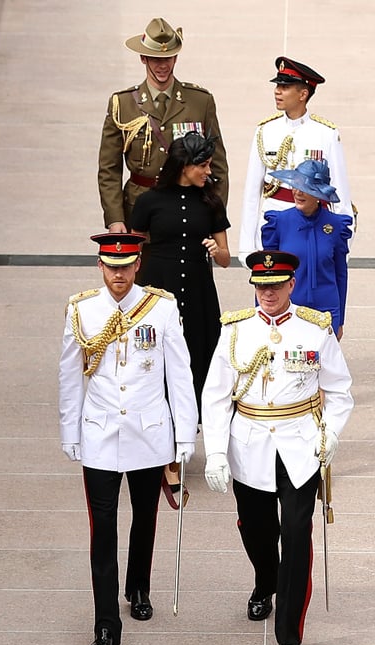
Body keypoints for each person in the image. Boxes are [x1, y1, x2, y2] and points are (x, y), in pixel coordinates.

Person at [200, 250, 354, 645]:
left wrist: (331, 434)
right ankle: (265, 579)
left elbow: (340, 391)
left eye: (275, 285)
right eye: (261, 286)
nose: (268, 293)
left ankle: (289, 632)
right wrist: (215, 452)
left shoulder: (315, 330)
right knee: (256, 529)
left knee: (297, 536)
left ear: (291, 285)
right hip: (249, 443)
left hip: (300, 446)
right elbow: (215, 396)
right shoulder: (235, 331)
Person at [58, 233, 198, 645]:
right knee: (102, 530)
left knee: (144, 516)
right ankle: (105, 624)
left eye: (125, 266)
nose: (118, 274)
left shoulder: (161, 307)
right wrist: (70, 430)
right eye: (110, 266)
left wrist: (184, 433)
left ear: (138, 265)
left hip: (149, 431)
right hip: (100, 432)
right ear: (100, 267)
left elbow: (180, 374)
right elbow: (69, 375)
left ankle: (138, 585)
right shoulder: (82, 309)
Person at [129, 131, 231, 506]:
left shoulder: (210, 201)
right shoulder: (149, 201)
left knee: (196, 366)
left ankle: (179, 443)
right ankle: (165, 453)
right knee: (159, 367)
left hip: (200, 296)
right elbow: (133, 255)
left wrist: (214, 248)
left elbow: (225, 257)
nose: (208, 171)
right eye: (202, 165)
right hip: (160, 294)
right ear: (184, 167)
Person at [98, 17, 228, 236]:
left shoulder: (200, 101)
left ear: (176, 57)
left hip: (189, 210)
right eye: (155, 58)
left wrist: (214, 216)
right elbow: (109, 169)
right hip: (140, 214)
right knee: (141, 270)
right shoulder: (123, 104)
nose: (162, 65)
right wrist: (115, 217)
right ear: (143, 58)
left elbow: (218, 166)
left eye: (168, 57)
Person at [238, 57, 353, 263]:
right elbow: (251, 193)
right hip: (273, 223)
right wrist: (247, 248)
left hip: (313, 222)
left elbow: (340, 191)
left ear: (303, 93)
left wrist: (344, 241)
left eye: (285, 86)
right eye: (277, 86)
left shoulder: (326, 133)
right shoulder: (265, 130)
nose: (277, 91)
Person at [262, 158, 352, 339]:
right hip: (289, 309)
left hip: (327, 311)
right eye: (295, 185)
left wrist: (340, 318)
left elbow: (340, 274)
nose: (297, 192)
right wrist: (263, 315)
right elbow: (266, 274)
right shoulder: (279, 223)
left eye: (305, 188)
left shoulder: (336, 225)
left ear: (319, 194)